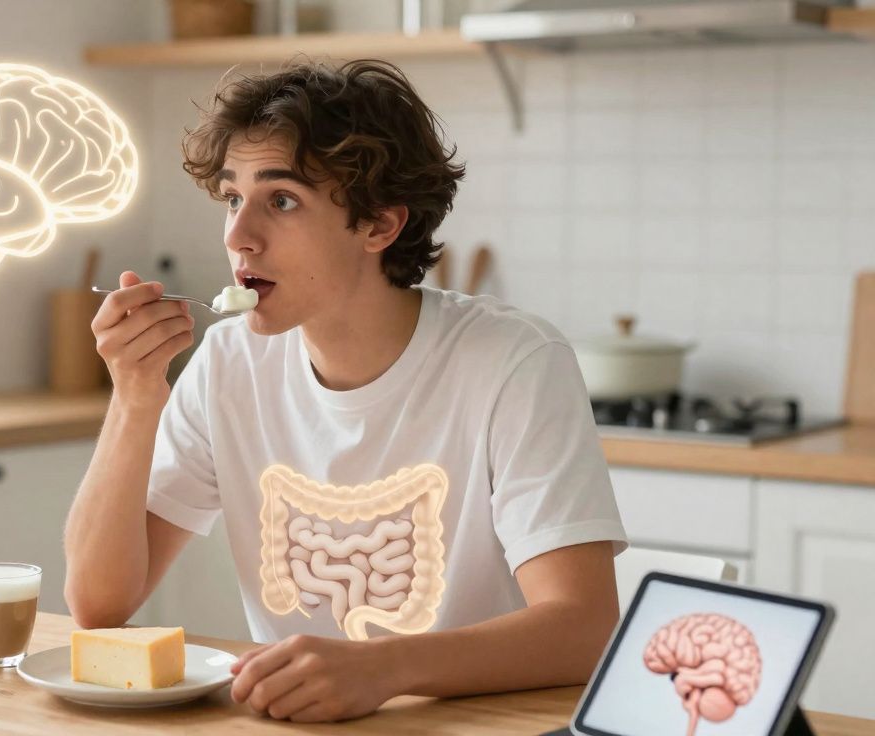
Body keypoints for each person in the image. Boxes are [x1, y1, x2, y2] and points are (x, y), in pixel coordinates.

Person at [63, 58, 628, 724]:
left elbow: (584, 629)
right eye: (232, 198)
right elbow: (98, 606)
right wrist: (134, 397)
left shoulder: (512, 362)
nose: (238, 236)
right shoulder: (228, 361)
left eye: (281, 201)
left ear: (379, 225)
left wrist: (383, 668)